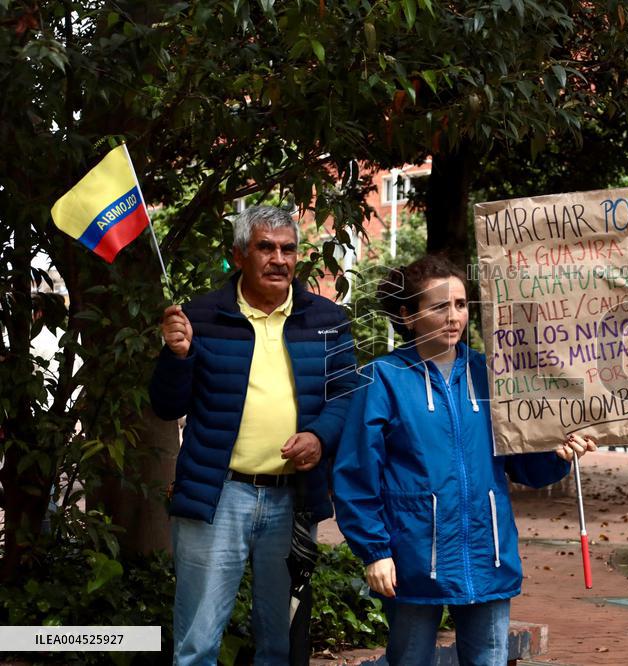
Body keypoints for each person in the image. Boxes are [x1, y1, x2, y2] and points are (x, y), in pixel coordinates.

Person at [333, 255, 596, 666]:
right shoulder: (381, 378)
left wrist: (557, 455)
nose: (453, 317)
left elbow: (525, 465)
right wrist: (375, 551)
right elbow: (355, 475)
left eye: (460, 304)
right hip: (413, 560)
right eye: (440, 306)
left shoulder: (492, 375)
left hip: (488, 556)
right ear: (408, 315)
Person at [149, 206, 358, 665]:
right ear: (240, 255)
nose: (279, 259)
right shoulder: (199, 317)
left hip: (293, 498)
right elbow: (167, 406)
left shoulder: (327, 319)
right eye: (266, 247)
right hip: (216, 494)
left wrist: (320, 438)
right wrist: (176, 356)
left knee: (280, 644)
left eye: (288, 249)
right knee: (197, 643)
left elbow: (346, 394)